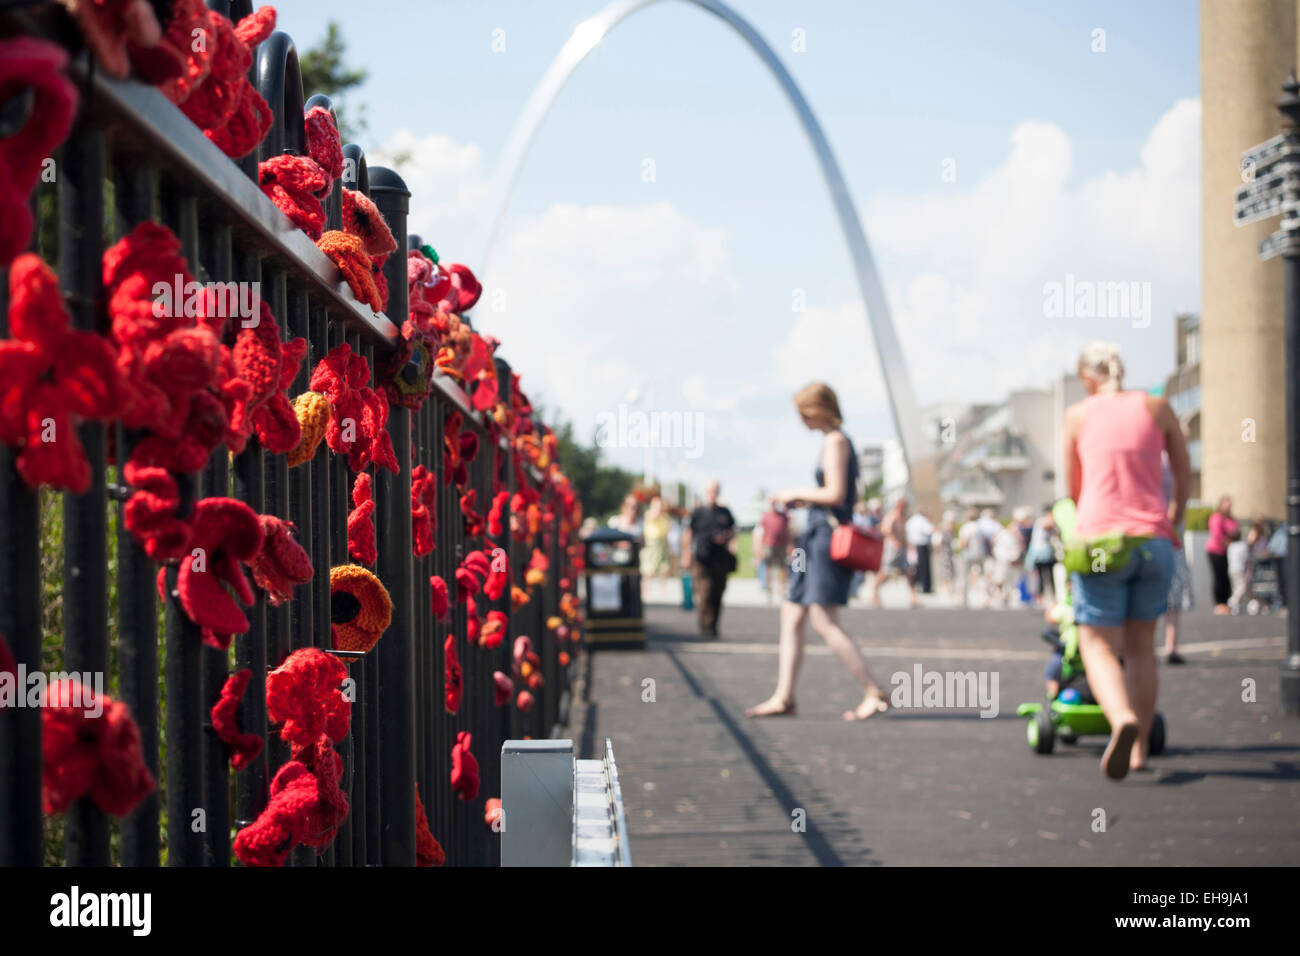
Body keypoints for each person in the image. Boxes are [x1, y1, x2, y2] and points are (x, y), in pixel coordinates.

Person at [1065, 342, 1189, 780]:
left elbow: (1075, 488)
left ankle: (1121, 719)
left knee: (1097, 643)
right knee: (1142, 646)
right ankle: (1138, 752)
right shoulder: (1157, 406)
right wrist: (1173, 517)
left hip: (1102, 543)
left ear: (1087, 378)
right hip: (1153, 541)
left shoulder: (1078, 415)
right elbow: (1183, 466)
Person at [746, 382, 891, 721]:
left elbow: (836, 494)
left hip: (825, 539)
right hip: (815, 537)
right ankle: (784, 697)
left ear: (817, 410)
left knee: (824, 621)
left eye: (803, 414)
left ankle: (874, 690)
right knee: (792, 614)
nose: (801, 421)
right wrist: (803, 499)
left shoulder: (836, 441)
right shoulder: (834, 440)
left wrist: (794, 493)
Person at [680, 481, 736, 637]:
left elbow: (732, 531)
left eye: (715, 490)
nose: (713, 493)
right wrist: (686, 555)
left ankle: (713, 626)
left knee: (718, 593)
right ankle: (704, 625)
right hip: (702, 558)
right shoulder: (698, 512)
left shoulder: (725, 512)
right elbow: (688, 534)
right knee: (705, 592)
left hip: (720, 558)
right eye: (710, 490)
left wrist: (727, 540)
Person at [1160, 454, 1192, 664]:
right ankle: (1170, 647)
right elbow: (1181, 494)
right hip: (1169, 537)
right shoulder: (1173, 462)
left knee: (1147, 597)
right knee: (1172, 597)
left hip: (1148, 535)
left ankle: (1167, 647)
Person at [871, 497, 919, 608]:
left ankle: (913, 596)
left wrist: (908, 545)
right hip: (892, 548)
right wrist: (895, 541)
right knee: (885, 571)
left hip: (901, 548)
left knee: (909, 571)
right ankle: (874, 594)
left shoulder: (903, 517)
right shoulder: (892, 515)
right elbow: (885, 529)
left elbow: (904, 533)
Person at [1206, 495, 1239, 614]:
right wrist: (1227, 542)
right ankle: (1219, 604)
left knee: (1227, 578)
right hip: (1216, 551)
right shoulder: (1217, 517)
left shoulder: (1231, 519)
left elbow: (1236, 532)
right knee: (1219, 577)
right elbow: (1217, 534)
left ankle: (1226, 602)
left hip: (1229, 552)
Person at [1025, 505, 1059, 608]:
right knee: (1041, 576)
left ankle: (1049, 598)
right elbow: (1049, 525)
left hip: (1046, 553)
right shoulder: (1042, 521)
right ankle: (1041, 598)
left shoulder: (1044, 522)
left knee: (1049, 576)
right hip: (1041, 553)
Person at [955, 508, 987, 607]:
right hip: (979, 553)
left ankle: (962, 597)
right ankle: (983, 597)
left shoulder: (966, 527)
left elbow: (964, 542)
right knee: (980, 575)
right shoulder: (979, 527)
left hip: (968, 554)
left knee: (964, 576)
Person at [759, 503, 791, 602]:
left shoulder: (784, 516)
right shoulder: (765, 516)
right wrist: (761, 547)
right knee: (768, 569)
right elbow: (762, 532)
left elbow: (788, 531)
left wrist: (790, 544)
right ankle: (769, 590)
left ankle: (782, 590)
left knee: (783, 568)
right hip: (769, 545)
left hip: (782, 545)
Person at [640, 495, 671, 578]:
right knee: (650, 567)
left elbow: (667, 531)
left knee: (664, 567)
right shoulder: (649, 514)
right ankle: (646, 588)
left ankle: (663, 590)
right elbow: (653, 518)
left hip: (662, 542)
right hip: (652, 542)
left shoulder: (665, 516)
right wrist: (657, 510)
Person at [906, 507, 935, 594]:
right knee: (924, 567)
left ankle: (917, 585)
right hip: (922, 545)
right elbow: (930, 530)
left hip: (913, 545)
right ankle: (925, 587)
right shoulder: (922, 520)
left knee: (915, 566)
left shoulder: (911, 520)